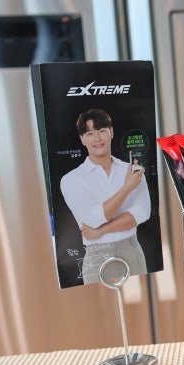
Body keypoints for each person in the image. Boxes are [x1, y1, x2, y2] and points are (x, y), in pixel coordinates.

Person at [60, 108, 150, 284]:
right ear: (82, 139)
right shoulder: (71, 179)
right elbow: (93, 219)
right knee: (98, 301)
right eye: (90, 133)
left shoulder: (132, 170)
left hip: (131, 249)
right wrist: (127, 187)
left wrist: (101, 230)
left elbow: (142, 213)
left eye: (102, 130)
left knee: (141, 297)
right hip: (97, 255)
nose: (97, 138)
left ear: (111, 132)